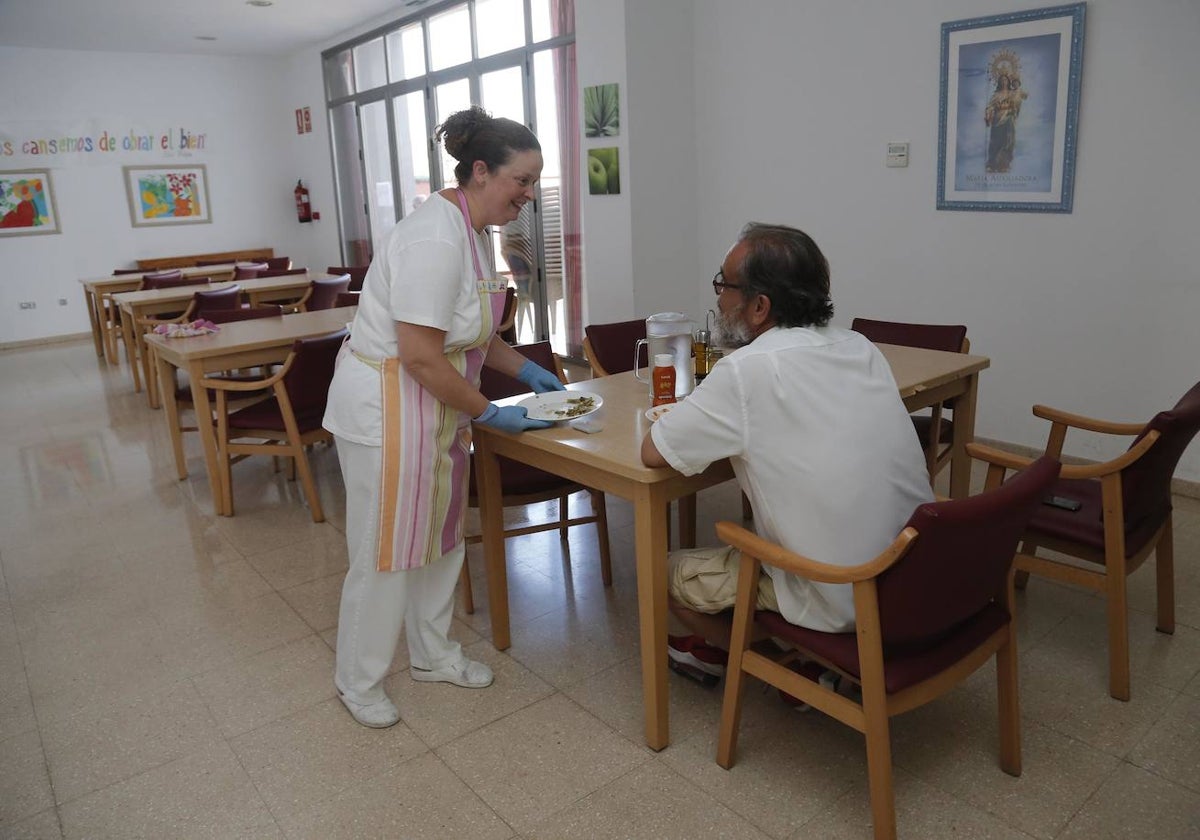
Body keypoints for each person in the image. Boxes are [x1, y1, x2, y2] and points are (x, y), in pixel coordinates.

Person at [323, 106, 565, 729]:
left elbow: (471, 333)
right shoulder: (434, 237)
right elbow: (421, 355)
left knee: (439, 536)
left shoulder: (472, 232)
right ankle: (360, 681)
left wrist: (522, 370)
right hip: (390, 408)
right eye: (523, 180)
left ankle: (433, 655)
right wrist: (490, 412)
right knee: (386, 552)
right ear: (481, 172)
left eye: (536, 182)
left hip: (436, 406)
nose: (530, 196)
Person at [639, 223, 933, 680]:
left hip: (838, 590)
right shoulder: (861, 346)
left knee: (659, 571)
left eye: (724, 284)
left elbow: (654, 452)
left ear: (759, 306)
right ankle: (781, 655)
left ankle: (795, 666)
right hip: (910, 573)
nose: (718, 298)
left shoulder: (746, 370)